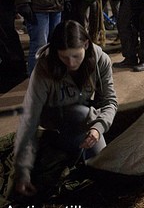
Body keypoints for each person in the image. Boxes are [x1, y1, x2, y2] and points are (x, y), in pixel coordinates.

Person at [11, 20, 117, 202]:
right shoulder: (44, 66)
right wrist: (22, 169)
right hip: (54, 119)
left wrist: (98, 128)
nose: (70, 63)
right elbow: (30, 116)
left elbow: (110, 102)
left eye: (76, 56)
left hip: (85, 117)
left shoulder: (101, 60)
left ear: (86, 45)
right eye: (64, 57)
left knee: (105, 173)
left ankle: (78, 154)